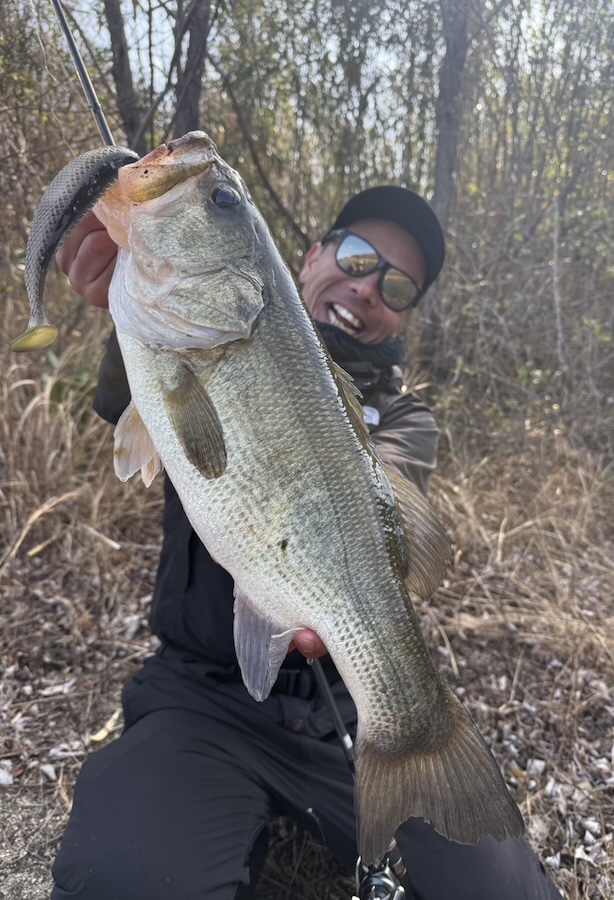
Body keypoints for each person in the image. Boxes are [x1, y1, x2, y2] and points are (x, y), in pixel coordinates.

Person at [50, 185, 559, 900]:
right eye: (357, 257)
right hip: (203, 695)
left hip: (344, 705)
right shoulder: (188, 328)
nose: (367, 287)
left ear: (406, 313)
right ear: (314, 255)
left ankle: (407, 755)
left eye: (397, 285)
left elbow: (382, 525)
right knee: (124, 881)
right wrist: (121, 297)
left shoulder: (407, 418)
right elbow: (124, 403)